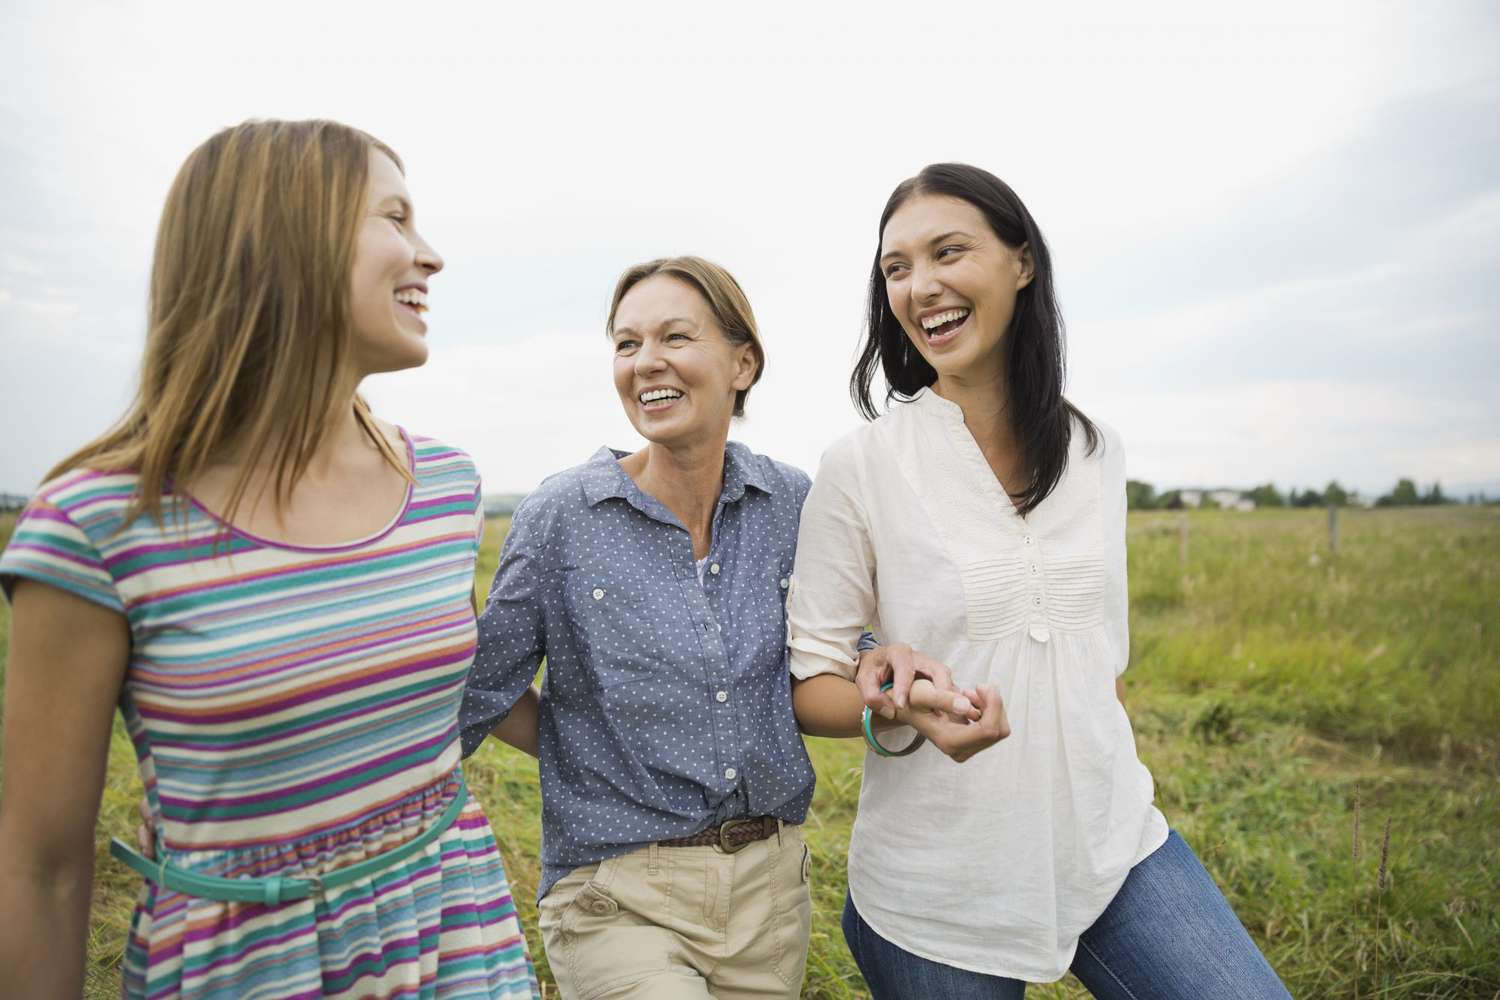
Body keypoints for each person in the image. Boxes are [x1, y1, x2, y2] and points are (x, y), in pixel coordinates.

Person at [0, 120, 539, 999]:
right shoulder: (97, 527)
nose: (429, 255)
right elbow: (43, 874)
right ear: (285, 235)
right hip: (253, 972)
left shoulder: (446, 486)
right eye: (395, 218)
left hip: (458, 944)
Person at [786, 163, 1290, 999]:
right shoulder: (861, 465)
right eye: (897, 268)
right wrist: (902, 704)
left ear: (1022, 262)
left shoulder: (1097, 449)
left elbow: (1103, 665)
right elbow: (812, 683)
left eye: (949, 251)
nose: (921, 287)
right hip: (940, 888)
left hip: (1111, 848)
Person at [456, 256, 991, 1000]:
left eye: (675, 336)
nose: (647, 363)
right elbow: (479, 689)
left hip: (768, 898)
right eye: (626, 343)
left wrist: (893, 682)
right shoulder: (561, 520)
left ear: (743, 362)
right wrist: (583, 746)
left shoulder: (790, 504)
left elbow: (829, 658)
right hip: (616, 895)